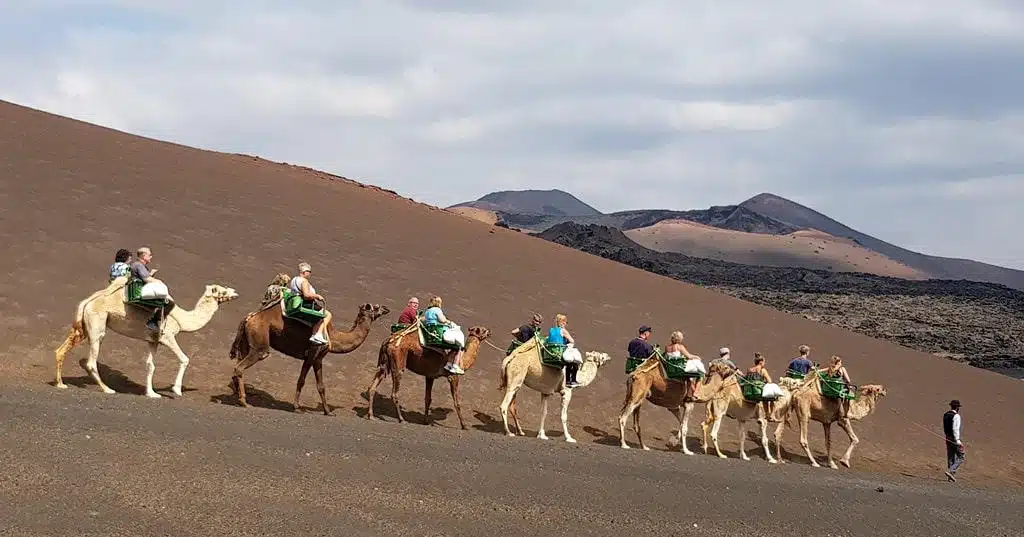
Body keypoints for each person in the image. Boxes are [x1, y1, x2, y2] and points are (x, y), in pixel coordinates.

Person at [130, 247, 175, 331]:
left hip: (136, 289)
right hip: (139, 291)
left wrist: (151, 274)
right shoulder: (139, 265)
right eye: (150, 255)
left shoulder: (137, 265)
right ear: (144, 256)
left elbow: (143, 277)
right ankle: (153, 322)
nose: (151, 257)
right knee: (170, 303)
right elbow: (147, 279)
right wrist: (160, 282)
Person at [289, 262, 333, 345]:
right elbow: (306, 295)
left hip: (296, 302)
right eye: (309, 272)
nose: (309, 274)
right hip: (306, 303)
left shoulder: (294, 280)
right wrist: (317, 296)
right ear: (304, 272)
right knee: (327, 314)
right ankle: (317, 334)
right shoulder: (304, 281)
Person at [422, 296, 466, 375]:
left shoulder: (427, 311)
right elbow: (442, 320)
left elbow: (425, 320)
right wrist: (449, 322)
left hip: (431, 335)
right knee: (459, 347)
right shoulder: (437, 310)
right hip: (439, 334)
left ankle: (448, 364)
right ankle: (455, 366)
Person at [665, 330, 704, 397]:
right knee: (701, 374)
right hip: (681, 369)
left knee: (689, 378)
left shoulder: (667, 347)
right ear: (679, 338)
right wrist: (697, 357)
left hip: (672, 370)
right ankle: (696, 392)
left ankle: (690, 394)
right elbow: (689, 356)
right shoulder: (680, 347)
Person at [547, 314, 581, 388]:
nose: (566, 324)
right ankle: (571, 381)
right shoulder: (563, 331)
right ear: (562, 322)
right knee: (574, 363)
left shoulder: (551, 330)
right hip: (559, 352)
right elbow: (572, 341)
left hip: (551, 352)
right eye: (565, 322)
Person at [943, 399, 965, 482]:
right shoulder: (956, 416)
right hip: (954, 439)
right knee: (961, 456)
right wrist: (958, 441)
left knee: (951, 456)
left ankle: (950, 476)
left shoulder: (945, 415)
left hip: (947, 437)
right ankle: (951, 471)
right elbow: (955, 429)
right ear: (957, 408)